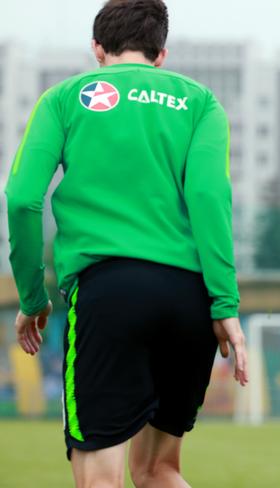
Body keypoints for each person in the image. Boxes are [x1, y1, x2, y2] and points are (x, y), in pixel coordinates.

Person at [5, 1, 248, 486]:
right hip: (189, 300)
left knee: (101, 477)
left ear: (97, 48)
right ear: (161, 53)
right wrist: (225, 305)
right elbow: (208, 198)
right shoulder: (201, 102)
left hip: (109, 293)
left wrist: (33, 298)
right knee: (158, 469)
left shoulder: (63, 98)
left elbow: (22, 200)